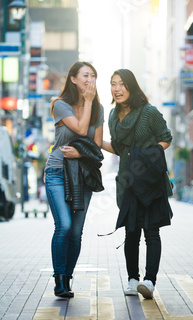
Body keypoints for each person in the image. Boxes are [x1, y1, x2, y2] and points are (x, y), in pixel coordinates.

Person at [102, 69, 173, 299]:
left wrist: (147, 156)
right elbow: (120, 149)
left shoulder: (148, 112)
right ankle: (133, 280)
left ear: (131, 86)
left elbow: (166, 138)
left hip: (151, 180)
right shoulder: (113, 116)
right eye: (113, 84)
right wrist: (96, 142)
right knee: (131, 232)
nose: (117, 88)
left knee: (152, 232)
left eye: (122, 84)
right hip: (128, 181)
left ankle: (149, 282)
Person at [44, 61, 104, 298]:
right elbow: (80, 129)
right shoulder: (60, 105)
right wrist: (87, 102)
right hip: (58, 172)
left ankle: (68, 277)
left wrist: (80, 153)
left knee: (76, 231)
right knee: (65, 226)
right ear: (74, 79)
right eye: (85, 75)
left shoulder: (97, 110)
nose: (90, 79)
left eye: (93, 75)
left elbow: (97, 145)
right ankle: (58, 279)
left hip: (83, 175)